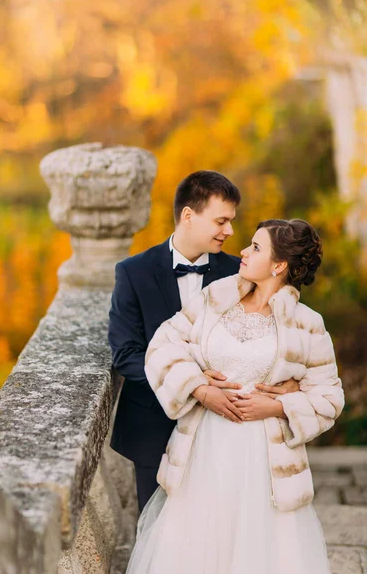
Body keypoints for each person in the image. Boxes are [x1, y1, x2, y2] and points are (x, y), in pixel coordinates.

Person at [126, 218, 345, 574]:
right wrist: (199, 388)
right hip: (203, 451)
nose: (242, 251)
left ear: (279, 265)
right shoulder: (215, 298)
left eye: (256, 248)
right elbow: (163, 345)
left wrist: (276, 405)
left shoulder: (308, 324)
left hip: (266, 462)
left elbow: (330, 398)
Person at [108, 171, 299, 512]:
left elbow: (279, 335)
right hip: (153, 426)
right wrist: (194, 385)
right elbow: (126, 355)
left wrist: (289, 383)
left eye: (231, 221)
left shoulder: (243, 272)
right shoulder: (132, 272)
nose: (229, 231)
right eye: (221, 221)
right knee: (158, 540)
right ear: (188, 216)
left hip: (224, 430)